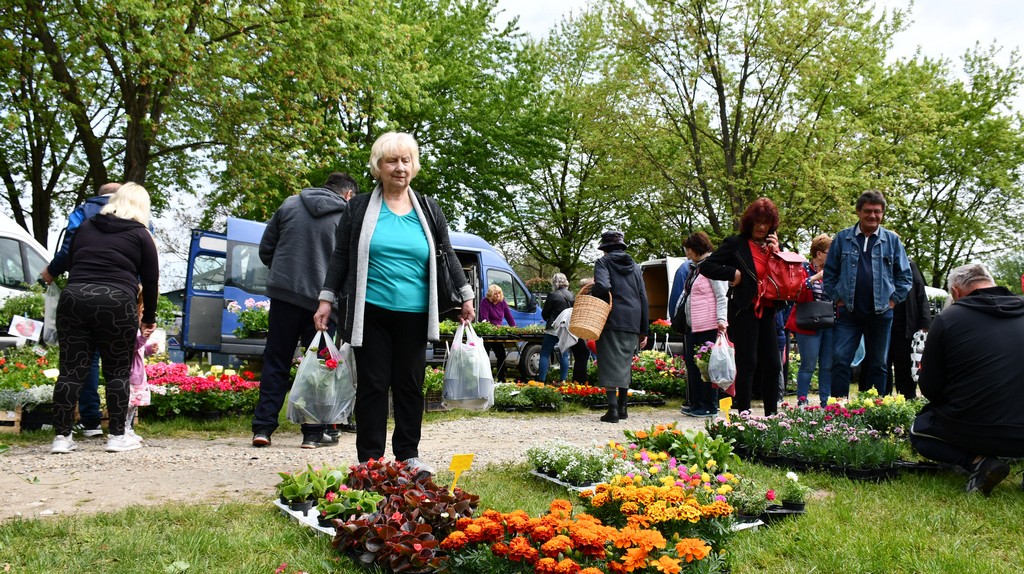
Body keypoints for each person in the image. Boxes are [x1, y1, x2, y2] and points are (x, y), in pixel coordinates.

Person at [314, 132, 474, 477]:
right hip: (370, 310)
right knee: (372, 385)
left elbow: (447, 257)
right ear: (378, 167)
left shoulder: (429, 209)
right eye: (391, 161)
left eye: (405, 161)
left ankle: (407, 456)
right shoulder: (358, 208)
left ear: (414, 166)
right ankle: (369, 461)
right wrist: (326, 299)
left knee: (409, 384)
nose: (399, 168)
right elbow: (341, 256)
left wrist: (466, 294)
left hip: (416, 313)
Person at [251, 172, 359, 449]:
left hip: (284, 295)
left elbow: (266, 250)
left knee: (276, 359)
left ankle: (263, 429)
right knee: (321, 368)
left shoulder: (289, 204)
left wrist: (283, 272)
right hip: (323, 305)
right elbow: (350, 266)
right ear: (348, 195)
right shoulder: (346, 216)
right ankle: (312, 433)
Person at [50, 183, 158, 454]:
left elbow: (72, 261)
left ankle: (62, 438)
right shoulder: (141, 234)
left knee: (71, 371)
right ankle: (117, 436)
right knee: (117, 371)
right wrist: (149, 318)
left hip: (74, 298)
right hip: (116, 301)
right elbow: (151, 281)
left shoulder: (86, 226)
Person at [909, 263, 1024, 495]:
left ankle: (978, 462)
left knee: (919, 431)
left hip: (975, 430)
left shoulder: (948, 318)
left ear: (955, 293)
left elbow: (931, 387)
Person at [41, 182, 121, 438]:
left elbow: (68, 247)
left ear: (99, 195)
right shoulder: (133, 213)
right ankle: (120, 430)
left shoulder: (83, 211)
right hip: (119, 294)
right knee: (118, 364)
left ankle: (87, 423)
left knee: (79, 362)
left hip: (80, 290)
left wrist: (52, 271)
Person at [823, 190, 912, 398]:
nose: (872, 216)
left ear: (882, 214)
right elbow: (829, 274)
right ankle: (838, 409)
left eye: (877, 212)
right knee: (840, 359)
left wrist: (892, 301)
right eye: (868, 211)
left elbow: (905, 277)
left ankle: (875, 409)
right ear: (858, 212)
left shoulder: (892, 241)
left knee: (879, 363)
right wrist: (838, 299)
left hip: (881, 313)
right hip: (849, 312)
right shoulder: (843, 238)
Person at [701, 198, 783, 415]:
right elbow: (707, 266)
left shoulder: (774, 246)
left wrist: (776, 252)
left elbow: (782, 276)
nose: (762, 226)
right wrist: (732, 274)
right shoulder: (736, 243)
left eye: (766, 222)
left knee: (774, 365)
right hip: (743, 310)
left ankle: (772, 416)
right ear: (750, 221)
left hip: (768, 310)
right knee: (748, 364)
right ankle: (744, 414)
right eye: (758, 221)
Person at [591, 230, 648, 423]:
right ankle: (623, 408)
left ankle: (613, 410)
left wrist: (592, 294)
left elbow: (603, 286)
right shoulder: (635, 266)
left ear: (605, 249)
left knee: (608, 362)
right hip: (633, 318)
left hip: (612, 317)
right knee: (625, 363)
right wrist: (643, 329)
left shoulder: (603, 262)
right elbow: (643, 296)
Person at [676, 232, 728, 417]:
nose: (687, 253)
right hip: (693, 325)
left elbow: (722, 296)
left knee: (706, 366)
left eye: (689, 249)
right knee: (693, 364)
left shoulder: (712, 267)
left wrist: (722, 320)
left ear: (697, 249)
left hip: (708, 325)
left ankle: (709, 405)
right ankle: (697, 402)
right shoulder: (695, 268)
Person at [786, 234, 834, 407]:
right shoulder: (802, 269)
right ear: (819, 254)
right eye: (830, 252)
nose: (833, 255)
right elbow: (794, 291)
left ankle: (825, 402)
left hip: (829, 323)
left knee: (827, 365)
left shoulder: (834, 271)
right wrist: (815, 278)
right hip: (807, 323)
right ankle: (802, 401)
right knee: (808, 363)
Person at [886, 260, 931, 398]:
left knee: (906, 367)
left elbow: (920, 293)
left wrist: (925, 323)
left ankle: (907, 400)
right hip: (881, 325)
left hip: (906, 327)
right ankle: (880, 400)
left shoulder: (909, 264)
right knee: (881, 366)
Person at [539, 273, 574, 384]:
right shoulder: (571, 295)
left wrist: (547, 319)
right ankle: (562, 380)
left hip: (554, 328)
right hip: (566, 328)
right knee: (564, 353)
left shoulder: (553, 295)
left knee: (545, 353)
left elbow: (545, 313)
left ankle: (541, 381)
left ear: (554, 282)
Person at [479, 284, 516, 379]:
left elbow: (509, 316)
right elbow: (484, 319)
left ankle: (501, 377)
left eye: (499, 293)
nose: (498, 295)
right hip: (487, 333)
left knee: (501, 354)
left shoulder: (502, 302)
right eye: (495, 294)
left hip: (497, 334)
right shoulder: (485, 302)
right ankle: (485, 377)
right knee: (485, 355)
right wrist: (493, 327)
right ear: (491, 295)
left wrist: (514, 327)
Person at [570, 277, 595, 385]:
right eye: (589, 288)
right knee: (583, 353)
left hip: (577, 329)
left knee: (581, 354)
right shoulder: (584, 299)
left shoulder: (579, 298)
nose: (590, 290)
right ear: (584, 288)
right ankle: (580, 380)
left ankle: (578, 380)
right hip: (578, 330)